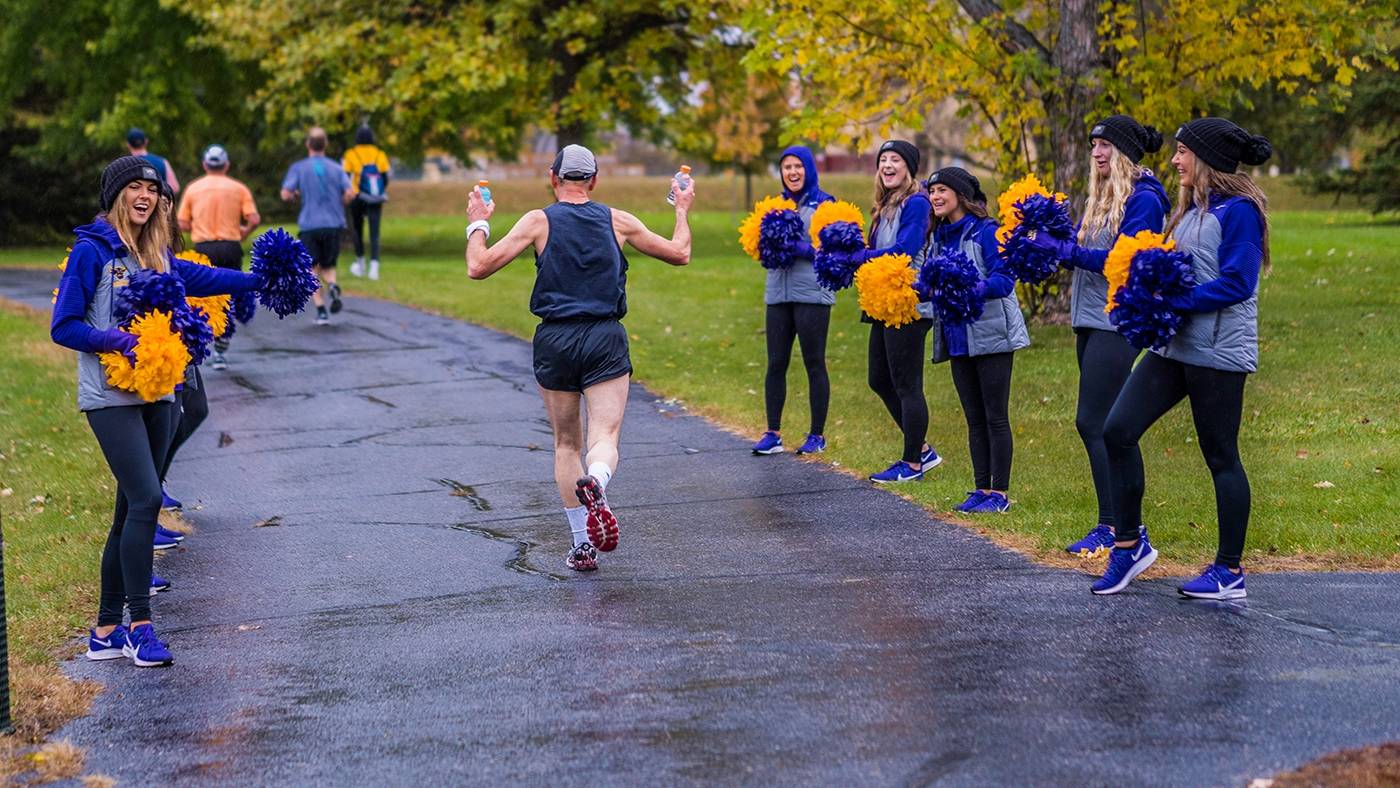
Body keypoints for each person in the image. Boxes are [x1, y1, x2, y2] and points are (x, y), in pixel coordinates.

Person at [50, 156, 262, 666]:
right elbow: (64, 326)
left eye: (153, 188)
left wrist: (258, 280)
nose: (146, 195)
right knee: (146, 499)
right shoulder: (91, 252)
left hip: (160, 394)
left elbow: (197, 278)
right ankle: (139, 627)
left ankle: (104, 630)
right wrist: (116, 341)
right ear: (116, 196)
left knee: (129, 515)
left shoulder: (159, 255)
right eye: (135, 188)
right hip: (111, 396)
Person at [463, 144, 693, 572]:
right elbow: (679, 252)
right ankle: (599, 481)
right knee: (603, 436)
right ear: (594, 180)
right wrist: (681, 208)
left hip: (555, 340)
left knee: (566, 444)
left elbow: (478, 266)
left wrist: (478, 220)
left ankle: (582, 545)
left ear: (553, 179)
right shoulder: (618, 220)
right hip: (604, 337)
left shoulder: (537, 221)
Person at [1091, 118, 1272, 598]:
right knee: (1117, 430)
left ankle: (1229, 570)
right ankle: (1128, 545)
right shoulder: (1190, 210)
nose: (1174, 160)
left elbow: (1238, 283)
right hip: (1174, 346)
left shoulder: (1240, 213)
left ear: (1205, 158)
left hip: (1218, 353)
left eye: (1183, 152)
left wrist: (1171, 301)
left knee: (1220, 455)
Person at [1024, 116, 1170, 551]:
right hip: (1089, 318)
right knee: (1100, 424)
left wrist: (1066, 251)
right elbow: (1088, 251)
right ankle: (1116, 526)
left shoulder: (1144, 199)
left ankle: (1118, 528)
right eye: (1094, 144)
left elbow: (1121, 260)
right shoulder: (1104, 195)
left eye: (1106, 145)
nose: (1097, 152)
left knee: (1097, 422)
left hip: (1117, 320)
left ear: (1124, 151)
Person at [924, 167, 1029, 513]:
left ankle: (1000, 495)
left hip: (992, 336)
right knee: (973, 417)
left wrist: (969, 288)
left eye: (941, 190)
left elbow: (1004, 281)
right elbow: (932, 285)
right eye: (932, 191)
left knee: (995, 416)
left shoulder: (986, 231)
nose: (935, 197)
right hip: (958, 337)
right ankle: (981, 488)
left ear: (960, 194)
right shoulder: (938, 237)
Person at [858, 140, 940, 484]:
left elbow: (905, 250)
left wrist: (858, 258)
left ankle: (913, 463)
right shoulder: (885, 203)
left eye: (895, 160)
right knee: (879, 378)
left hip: (910, 303)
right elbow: (877, 249)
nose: (888, 165)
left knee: (907, 383)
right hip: (885, 302)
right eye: (883, 160)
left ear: (909, 167)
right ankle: (922, 450)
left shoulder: (917, 203)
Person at [750, 145, 835, 456]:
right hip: (778, 293)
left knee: (814, 362)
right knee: (776, 363)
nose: (793, 172)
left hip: (813, 294)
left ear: (809, 169)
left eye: (798, 166)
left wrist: (800, 248)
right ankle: (772, 432)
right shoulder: (775, 205)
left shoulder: (826, 204)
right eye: (786, 167)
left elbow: (833, 252)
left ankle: (817, 435)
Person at [178, 144, 261, 369]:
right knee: (230, 293)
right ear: (226, 165)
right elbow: (254, 218)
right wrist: (243, 233)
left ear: (205, 164)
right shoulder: (238, 188)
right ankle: (222, 347)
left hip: (203, 247)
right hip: (230, 246)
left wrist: (197, 227)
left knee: (202, 295)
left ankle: (200, 341)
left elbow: (182, 222)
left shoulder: (193, 188)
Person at [281, 126, 351, 325]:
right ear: (325, 144)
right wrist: (341, 201)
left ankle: (321, 310)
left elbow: (286, 193)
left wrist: (295, 195)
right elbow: (350, 193)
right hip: (333, 224)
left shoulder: (299, 168)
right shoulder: (336, 168)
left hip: (309, 225)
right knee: (329, 264)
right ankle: (333, 285)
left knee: (310, 268)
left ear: (307, 145)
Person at [343, 125, 391, 281]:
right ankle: (374, 269)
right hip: (375, 198)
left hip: (358, 196)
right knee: (374, 233)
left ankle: (361, 264)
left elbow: (346, 176)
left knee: (357, 230)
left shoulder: (351, 154)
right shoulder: (379, 154)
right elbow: (385, 177)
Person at [125, 128, 180, 196]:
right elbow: (174, 187)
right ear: (146, 141)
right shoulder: (162, 162)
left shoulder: (125, 165)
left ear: (128, 144)